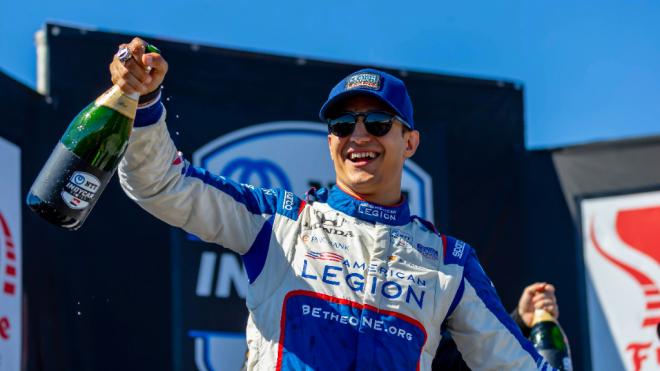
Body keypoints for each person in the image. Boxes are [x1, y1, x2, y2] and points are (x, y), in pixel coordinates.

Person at [111, 38, 556, 370]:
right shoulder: (281, 220)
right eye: (344, 125)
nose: (359, 136)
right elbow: (162, 184)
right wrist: (144, 102)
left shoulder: (449, 263)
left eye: (379, 122)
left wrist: (537, 330)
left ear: (410, 141)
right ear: (330, 143)